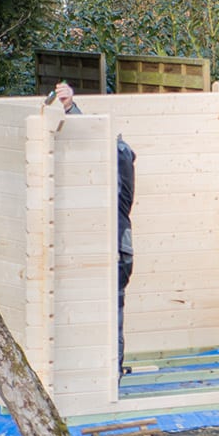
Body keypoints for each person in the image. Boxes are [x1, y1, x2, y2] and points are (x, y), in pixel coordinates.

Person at [54, 82, 136, 380]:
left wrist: (70, 108)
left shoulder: (119, 157)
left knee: (109, 314)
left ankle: (109, 375)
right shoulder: (119, 156)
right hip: (117, 249)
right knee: (109, 313)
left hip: (114, 251)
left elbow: (91, 141)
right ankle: (106, 373)